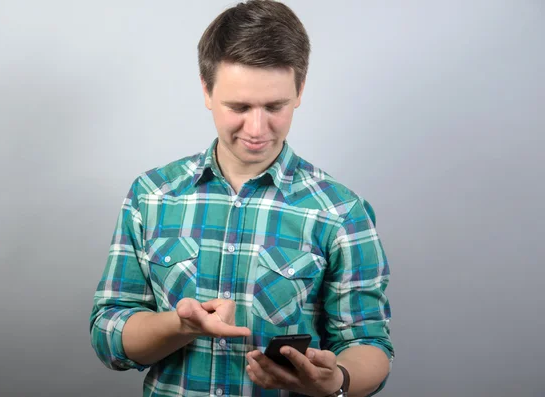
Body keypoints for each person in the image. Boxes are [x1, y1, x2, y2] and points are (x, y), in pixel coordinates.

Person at [89, 1, 394, 396]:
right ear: (206, 91)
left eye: (274, 106)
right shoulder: (151, 195)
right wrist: (180, 325)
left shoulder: (341, 211)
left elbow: (369, 343)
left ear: (299, 91)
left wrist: (336, 380)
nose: (256, 128)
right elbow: (108, 333)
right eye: (239, 106)